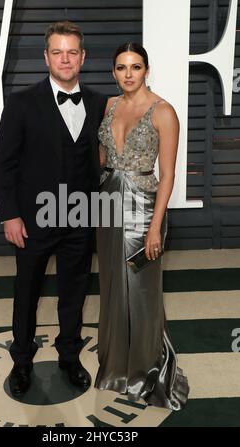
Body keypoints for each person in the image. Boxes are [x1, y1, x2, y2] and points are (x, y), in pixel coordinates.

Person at [0, 21, 107, 397]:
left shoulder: (98, 102)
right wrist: (10, 214)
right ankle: (21, 362)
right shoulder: (21, 102)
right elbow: (4, 164)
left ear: (83, 57)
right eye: (57, 52)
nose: (65, 59)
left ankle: (69, 358)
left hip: (81, 215)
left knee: (74, 292)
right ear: (46, 57)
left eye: (72, 52)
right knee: (27, 292)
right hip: (34, 218)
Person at [94, 42, 189, 410]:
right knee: (112, 284)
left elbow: (167, 176)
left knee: (141, 290)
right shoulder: (110, 106)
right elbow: (102, 158)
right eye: (121, 68)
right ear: (114, 72)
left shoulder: (163, 112)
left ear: (147, 70)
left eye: (135, 67)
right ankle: (116, 365)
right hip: (107, 202)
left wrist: (155, 228)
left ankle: (147, 370)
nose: (128, 74)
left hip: (144, 206)